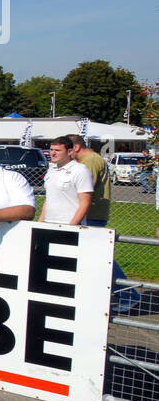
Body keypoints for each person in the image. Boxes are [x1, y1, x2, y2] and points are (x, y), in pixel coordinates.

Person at [69, 134, 138, 313]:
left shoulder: (89, 161)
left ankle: (128, 294)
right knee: (90, 258)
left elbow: (82, 188)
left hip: (91, 214)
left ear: (75, 148)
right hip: (91, 213)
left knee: (99, 257)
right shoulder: (92, 159)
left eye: (68, 149)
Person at [40, 136, 93, 226]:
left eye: (58, 150)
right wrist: (40, 222)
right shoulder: (51, 170)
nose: (53, 153)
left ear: (69, 151)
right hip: (48, 223)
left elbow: (85, 202)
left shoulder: (80, 170)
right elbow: (49, 198)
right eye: (51, 150)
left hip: (69, 224)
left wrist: (71, 226)